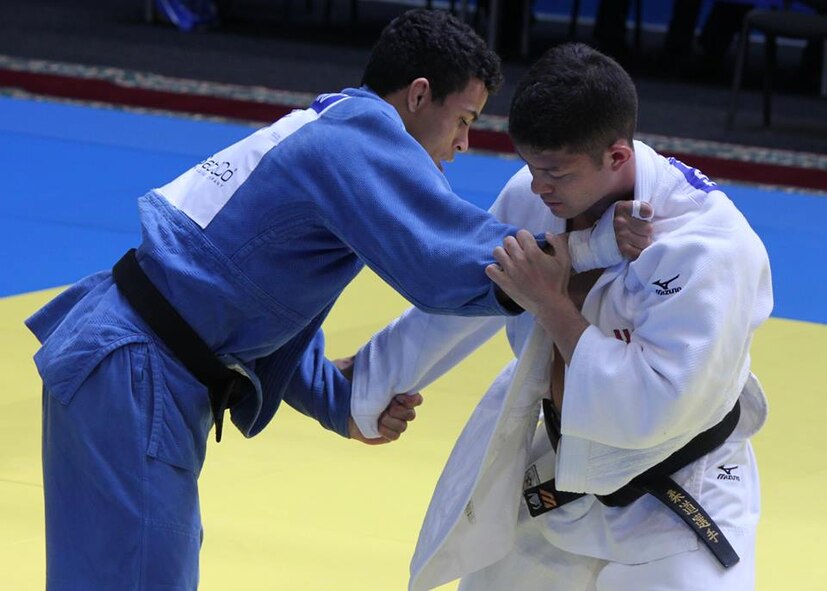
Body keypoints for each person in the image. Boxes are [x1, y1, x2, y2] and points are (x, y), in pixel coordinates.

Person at [25, 10, 649, 590]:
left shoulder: (330, 126)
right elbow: (440, 259)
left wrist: (341, 402)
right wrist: (589, 248)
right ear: (419, 94)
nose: (463, 145)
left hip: (118, 356)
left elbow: (241, 301)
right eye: (464, 120)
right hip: (137, 369)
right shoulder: (360, 138)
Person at [349, 43, 772, 591]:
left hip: (680, 489)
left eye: (555, 173)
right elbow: (459, 306)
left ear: (617, 156)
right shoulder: (534, 196)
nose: (538, 187)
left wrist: (552, 303)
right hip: (559, 471)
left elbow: (651, 409)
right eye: (529, 167)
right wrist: (362, 392)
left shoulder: (710, 247)